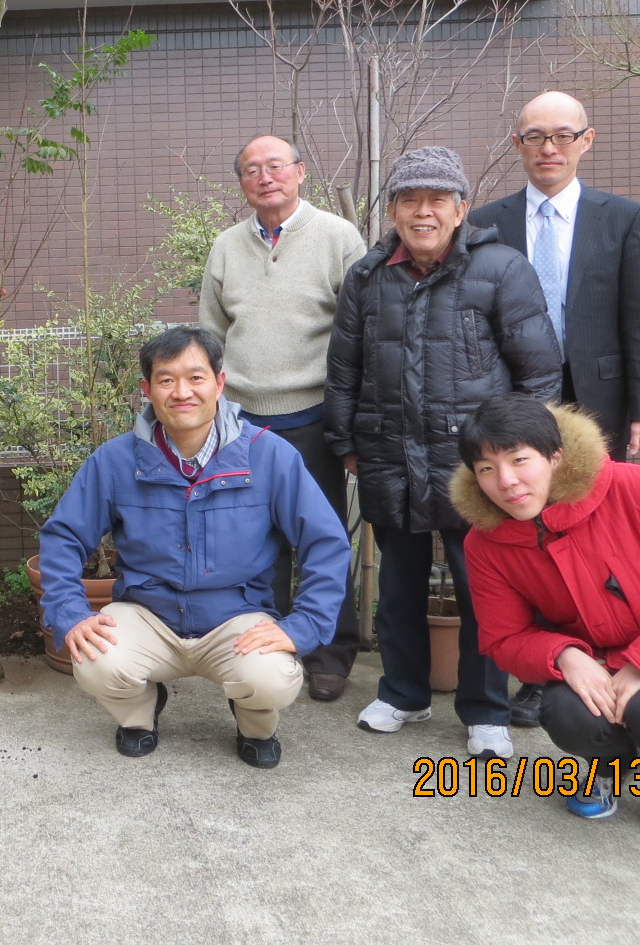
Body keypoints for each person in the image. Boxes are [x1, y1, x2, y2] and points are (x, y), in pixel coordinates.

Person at [325, 146, 562, 759]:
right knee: (398, 584)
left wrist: (525, 457)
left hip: (475, 466)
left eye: (436, 200)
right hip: (388, 452)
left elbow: (538, 372)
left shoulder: (501, 268)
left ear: (460, 209)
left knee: (483, 586)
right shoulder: (368, 274)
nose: (422, 212)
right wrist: (347, 439)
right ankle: (403, 692)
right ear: (394, 209)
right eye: (409, 200)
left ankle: (486, 711)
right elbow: (344, 365)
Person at [38, 327, 350, 768]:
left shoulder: (269, 456)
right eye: (166, 380)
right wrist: (70, 612)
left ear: (219, 384)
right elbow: (63, 536)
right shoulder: (115, 460)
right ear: (147, 390)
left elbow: (326, 543)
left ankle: (253, 721)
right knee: (94, 659)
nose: (181, 392)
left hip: (236, 618)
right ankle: (139, 715)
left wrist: (304, 625)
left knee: (273, 678)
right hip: (148, 616)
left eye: (196, 378)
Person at [450, 394, 640, 841]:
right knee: (566, 712)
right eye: (488, 469)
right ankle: (613, 768)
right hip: (597, 660)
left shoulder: (638, 487)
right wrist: (565, 655)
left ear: (555, 457)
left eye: (520, 460)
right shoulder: (487, 542)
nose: (508, 481)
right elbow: (503, 637)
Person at [469, 90, 640, 728]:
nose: (548, 147)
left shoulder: (624, 217)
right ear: (517, 146)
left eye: (562, 135)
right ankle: (545, 671)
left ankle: (625, 659)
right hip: (513, 399)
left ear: (587, 140)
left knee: (595, 528)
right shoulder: (486, 221)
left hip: (603, 399)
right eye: (534, 137)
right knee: (530, 535)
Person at [198, 134, 367, 701]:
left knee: (321, 538)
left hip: (315, 413)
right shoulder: (225, 247)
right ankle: (261, 647)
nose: (264, 177)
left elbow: (361, 329)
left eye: (275, 166)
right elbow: (210, 336)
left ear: (299, 172)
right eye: (251, 169)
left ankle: (329, 652)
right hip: (244, 420)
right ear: (242, 183)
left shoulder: (338, 237)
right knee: (254, 540)